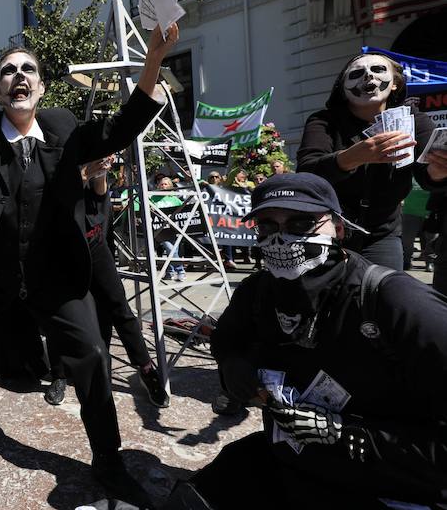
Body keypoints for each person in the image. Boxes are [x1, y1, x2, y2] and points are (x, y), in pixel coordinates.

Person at [0, 23, 178, 507]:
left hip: (54, 278)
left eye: (28, 70)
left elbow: (121, 128)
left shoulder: (63, 127)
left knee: (92, 359)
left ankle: (109, 459)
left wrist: (152, 62)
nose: (18, 76)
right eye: (7, 71)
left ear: (41, 87)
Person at [164, 173, 447, 510]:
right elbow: (227, 340)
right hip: (293, 462)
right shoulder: (257, 293)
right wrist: (234, 368)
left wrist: (349, 435)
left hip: (387, 483)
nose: (283, 240)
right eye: (268, 226)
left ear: (339, 229)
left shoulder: (395, 301)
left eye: (301, 223)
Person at [297, 52, 447, 270]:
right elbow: (307, 172)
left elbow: (427, 174)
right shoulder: (323, 121)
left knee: (384, 296)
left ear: (395, 83)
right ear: (343, 88)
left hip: (382, 234)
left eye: (378, 70)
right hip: (328, 232)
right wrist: (350, 158)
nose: (368, 75)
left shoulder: (413, 119)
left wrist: (439, 170)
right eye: (356, 73)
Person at [45, 157, 170, 408]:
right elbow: (57, 199)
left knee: (120, 309)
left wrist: (99, 172)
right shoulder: (56, 165)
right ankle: (59, 375)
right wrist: (84, 173)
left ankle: (146, 369)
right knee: (60, 313)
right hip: (63, 252)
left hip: (95, 246)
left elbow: (100, 197)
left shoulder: (94, 163)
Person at [152, 176, 186, 281]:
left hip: (174, 229)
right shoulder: (153, 198)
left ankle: (169, 272)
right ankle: (181, 271)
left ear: (170, 186)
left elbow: (184, 210)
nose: (163, 186)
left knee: (172, 251)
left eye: (166, 184)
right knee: (171, 250)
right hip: (160, 230)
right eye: (161, 184)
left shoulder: (175, 199)